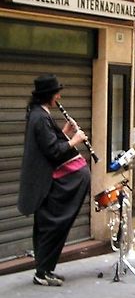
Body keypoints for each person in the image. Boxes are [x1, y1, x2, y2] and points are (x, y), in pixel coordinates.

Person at [17, 74, 91, 286]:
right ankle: (42, 273)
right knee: (51, 227)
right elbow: (52, 151)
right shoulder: (39, 117)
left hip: (47, 182)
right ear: (48, 96)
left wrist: (65, 133)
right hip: (46, 184)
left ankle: (46, 269)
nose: (59, 96)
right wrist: (75, 140)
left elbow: (50, 142)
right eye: (56, 93)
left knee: (50, 227)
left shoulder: (41, 114)